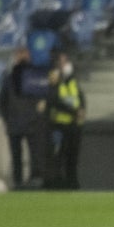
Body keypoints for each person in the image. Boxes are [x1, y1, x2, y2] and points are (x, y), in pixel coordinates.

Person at [0, 47, 50, 189]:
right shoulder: (11, 78)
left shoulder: (31, 76)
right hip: (18, 123)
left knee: (32, 154)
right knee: (19, 155)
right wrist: (7, 118)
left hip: (27, 123)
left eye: (23, 55)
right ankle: (21, 181)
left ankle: (32, 179)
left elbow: (43, 99)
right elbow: (2, 101)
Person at [46, 50, 86, 189]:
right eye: (62, 62)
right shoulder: (56, 81)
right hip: (60, 125)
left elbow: (80, 97)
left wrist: (82, 109)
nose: (65, 65)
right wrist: (75, 111)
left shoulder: (73, 81)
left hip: (75, 125)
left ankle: (73, 183)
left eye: (66, 61)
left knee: (73, 157)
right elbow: (55, 100)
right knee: (59, 156)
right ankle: (58, 183)